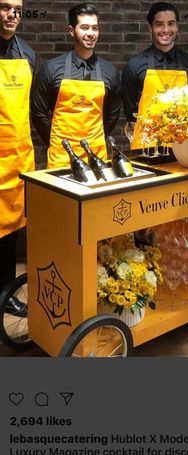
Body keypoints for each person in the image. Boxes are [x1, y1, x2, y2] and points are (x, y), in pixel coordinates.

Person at [31, 2, 121, 168]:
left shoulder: (110, 71)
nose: (91, 33)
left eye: (95, 28)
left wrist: (96, 139)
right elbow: (38, 112)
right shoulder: (52, 68)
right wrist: (56, 141)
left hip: (97, 155)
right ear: (71, 30)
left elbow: (112, 115)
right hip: (62, 156)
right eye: (85, 27)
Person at [122, 2, 188, 149]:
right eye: (159, 24)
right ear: (150, 27)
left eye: (171, 24)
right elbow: (131, 113)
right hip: (145, 148)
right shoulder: (134, 65)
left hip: (183, 147)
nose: (166, 30)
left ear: (177, 26)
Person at [0, 1, 36, 314]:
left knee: (10, 233)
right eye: (4, 7)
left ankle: (5, 294)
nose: (12, 15)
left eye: (18, 9)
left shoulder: (28, 54)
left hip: (16, 159)